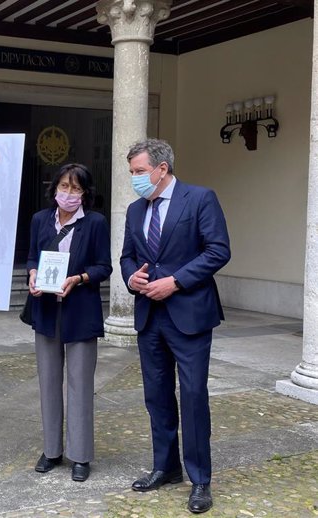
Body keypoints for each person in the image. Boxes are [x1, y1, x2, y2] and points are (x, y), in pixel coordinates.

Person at [120, 139, 230, 514]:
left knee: (193, 395)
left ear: (161, 169)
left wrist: (176, 281)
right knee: (157, 396)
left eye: (139, 172)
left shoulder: (199, 199)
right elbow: (127, 256)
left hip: (189, 315)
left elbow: (217, 250)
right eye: (132, 172)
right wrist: (130, 278)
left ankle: (201, 479)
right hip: (149, 315)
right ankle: (165, 467)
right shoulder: (135, 211)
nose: (134, 178)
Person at [27, 163, 111, 482]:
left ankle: (80, 455)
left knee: (80, 385)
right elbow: (34, 256)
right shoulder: (39, 220)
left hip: (81, 313)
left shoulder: (95, 223)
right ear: (55, 189)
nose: (69, 194)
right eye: (64, 186)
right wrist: (33, 274)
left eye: (76, 189)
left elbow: (104, 266)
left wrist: (80, 277)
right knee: (48, 383)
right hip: (47, 312)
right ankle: (51, 451)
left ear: (85, 194)